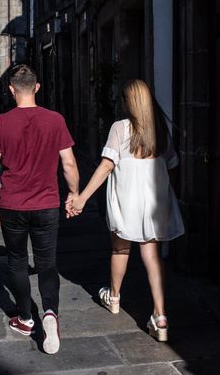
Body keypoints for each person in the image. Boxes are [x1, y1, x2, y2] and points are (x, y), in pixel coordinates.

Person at [66, 79, 184, 343]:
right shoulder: (161, 130)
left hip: (126, 199)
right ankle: (160, 315)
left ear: (129, 102)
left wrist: (82, 198)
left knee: (120, 248)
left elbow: (106, 166)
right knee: (151, 254)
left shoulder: (120, 128)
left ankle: (115, 297)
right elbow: (172, 165)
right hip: (153, 201)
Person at [0, 65, 80, 355]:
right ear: (37, 88)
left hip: (13, 204)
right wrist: (73, 193)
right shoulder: (55, 120)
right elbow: (69, 164)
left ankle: (25, 318)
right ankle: (50, 313)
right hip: (47, 203)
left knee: (16, 261)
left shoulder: (1, 122)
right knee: (47, 262)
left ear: (12, 90)